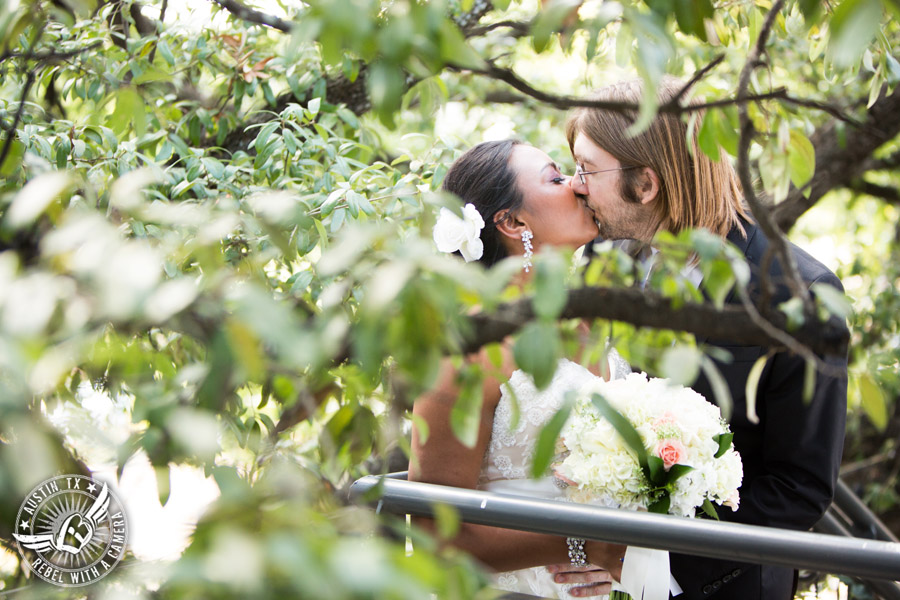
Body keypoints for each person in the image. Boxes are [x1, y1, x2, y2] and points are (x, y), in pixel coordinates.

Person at [565, 77, 849, 600]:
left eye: (586, 168)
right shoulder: (602, 261)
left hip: (722, 584)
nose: (574, 184)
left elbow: (799, 488)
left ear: (646, 184)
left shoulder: (799, 297)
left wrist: (650, 560)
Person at [410, 139, 630, 599]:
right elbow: (437, 537)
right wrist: (587, 546)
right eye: (555, 178)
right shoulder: (468, 351)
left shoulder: (590, 317)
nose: (576, 184)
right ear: (512, 222)